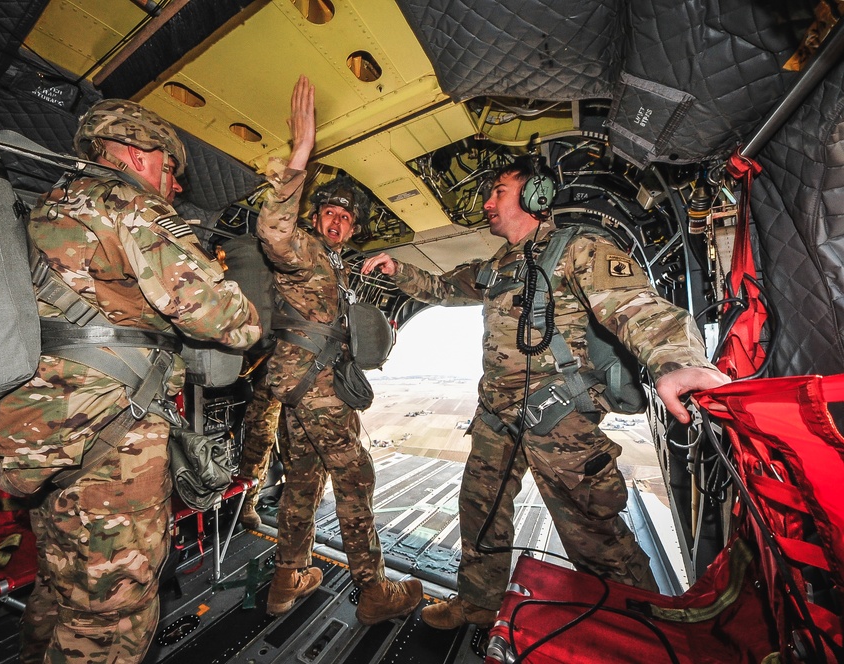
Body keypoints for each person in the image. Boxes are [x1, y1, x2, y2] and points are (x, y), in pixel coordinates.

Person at [361, 160, 730, 630]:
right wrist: (399, 270)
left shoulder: (579, 249)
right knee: (480, 510)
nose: (488, 204)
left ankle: (645, 631)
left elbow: (638, 307)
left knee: (593, 534)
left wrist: (677, 362)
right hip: (497, 415)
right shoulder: (495, 268)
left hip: (559, 422)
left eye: (498, 191)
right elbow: (439, 288)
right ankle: (478, 602)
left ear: (535, 196)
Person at [0, 99, 262, 663]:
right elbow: (230, 321)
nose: (174, 186)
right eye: (169, 170)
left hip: (40, 433)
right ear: (139, 156)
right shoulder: (130, 206)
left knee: (62, 585)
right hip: (110, 438)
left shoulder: (47, 206)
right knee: (115, 615)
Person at [254, 75, 422, 623]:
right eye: (330, 212)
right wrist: (300, 156)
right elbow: (274, 230)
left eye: (347, 218)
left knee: (302, 486)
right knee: (355, 483)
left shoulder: (338, 268)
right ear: (316, 215)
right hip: (318, 395)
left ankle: (287, 580)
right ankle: (373, 592)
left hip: (298, 394)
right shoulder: (303, 252)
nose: (338, 222)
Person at [237, 355, 282, 529]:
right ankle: (248, 502)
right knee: (261, 438)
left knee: (301, 440)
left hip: (304, 369)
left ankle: (299, 499)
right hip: (268, 365)